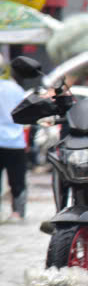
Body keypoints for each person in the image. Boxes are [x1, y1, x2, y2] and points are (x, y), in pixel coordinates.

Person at [0, 61, 28, 220]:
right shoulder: (17, 89)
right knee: (18, 180)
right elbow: (25, 114)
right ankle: (17, 212)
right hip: (16, 142)